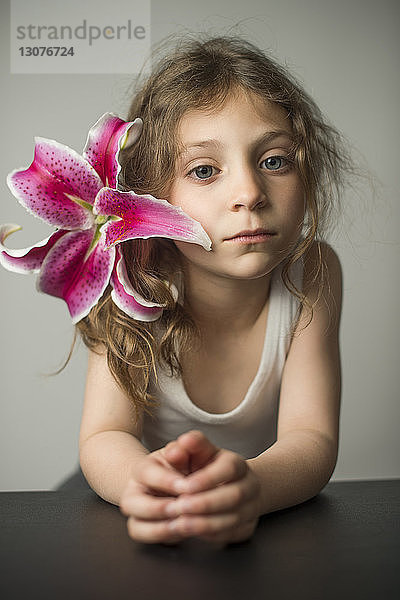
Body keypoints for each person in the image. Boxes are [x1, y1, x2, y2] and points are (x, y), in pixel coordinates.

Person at [78, 35, 348, 545]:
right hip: (131, 498)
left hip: (262, 498)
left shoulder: (312, 272)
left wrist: (252, 486)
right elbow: (103, 436)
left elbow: (311, 439)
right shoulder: (128, 272)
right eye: (204, 170)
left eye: (274, 160)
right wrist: (142, 484)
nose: (249, 193)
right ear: (150, 198)